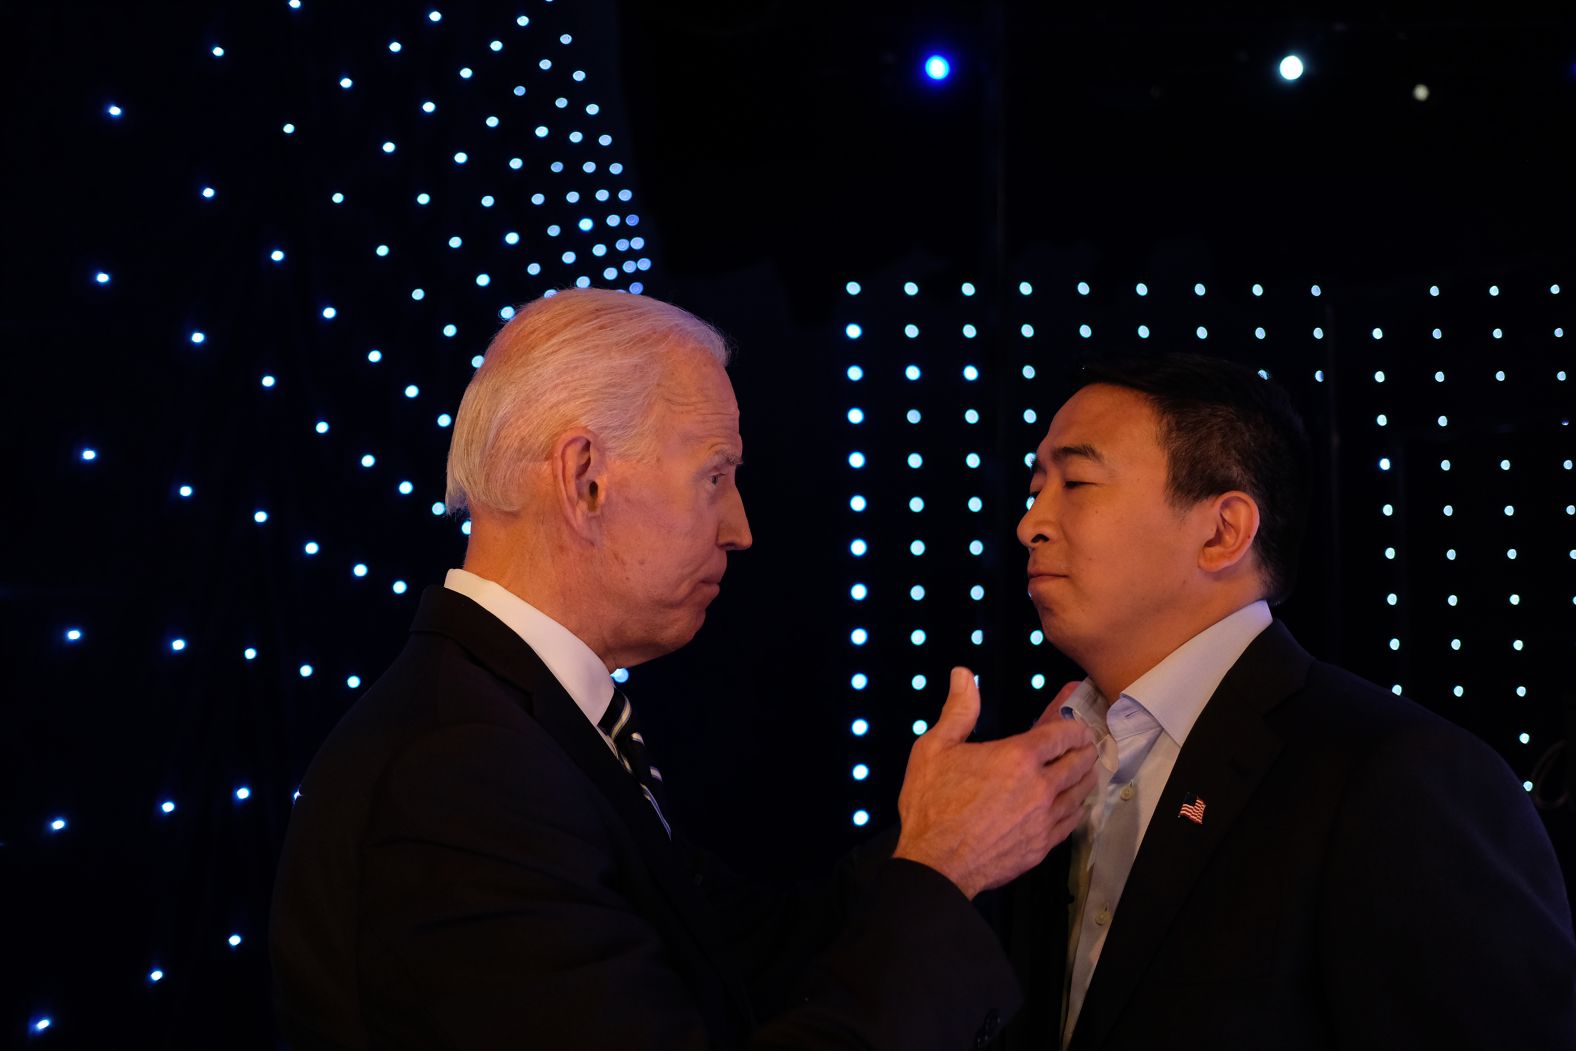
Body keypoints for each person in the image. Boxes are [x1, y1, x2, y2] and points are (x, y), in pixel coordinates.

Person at [268, 288, 1099, 1050]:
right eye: (715, 475)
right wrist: (942, 868)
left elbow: (747, 948)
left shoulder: (520, 725)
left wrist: (941, 835)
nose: (740, 527)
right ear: (585, 478)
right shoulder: (460, 772)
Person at [995, 353, 1576, 1049]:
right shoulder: (1034, 766)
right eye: (1036, 485)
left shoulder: (1400, 774)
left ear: (1223, 531)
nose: (1031, 522)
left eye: (1077, 482)